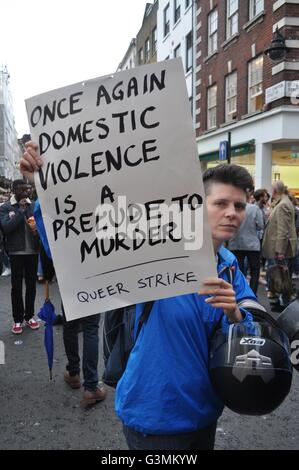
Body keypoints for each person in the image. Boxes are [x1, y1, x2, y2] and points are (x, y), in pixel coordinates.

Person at [21, 145, 260, 449]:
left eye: (239, 206)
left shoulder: (229, 266)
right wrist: (42, 187)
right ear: (198, 204)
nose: (232, 213)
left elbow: (252, 335)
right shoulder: (154, 250)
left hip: (206, 413)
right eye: (222, 203)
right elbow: (74, 253)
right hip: (154, 419)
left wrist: (235, 316)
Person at [20, 151, 107, 407]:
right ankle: (91, 384)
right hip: (95, 266)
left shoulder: (46, 204)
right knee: (90, 326)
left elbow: (47, 243)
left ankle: (74, 373)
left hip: (69, 270)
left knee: (72, 323)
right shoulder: (96, 194)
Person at [0, 180, 40, 334]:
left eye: (27, 190)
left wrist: (37, 230)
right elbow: (7, 227)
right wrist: (20, 212)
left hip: (32, 251)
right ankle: (17, 319)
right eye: (22, 190)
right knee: (16, 287)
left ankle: (29, 316)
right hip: (16, 252)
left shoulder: (34, 205)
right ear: (14, 190)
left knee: (31, 286)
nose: (25, 193)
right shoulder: (6, 208)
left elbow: (41, 225)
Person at [262, 181, 297, 306]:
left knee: (281, 276)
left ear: (275, 191)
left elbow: (283, 230)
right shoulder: (282, 203)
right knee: (280, 275)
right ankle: (282, 300)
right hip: (279, 247)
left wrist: (280, 250)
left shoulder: (283, 205)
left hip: (280, 249)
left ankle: (284, 302)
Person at [228, 198, 264, 295]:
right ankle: (252, 294)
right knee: (255, 271)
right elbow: (260, 225)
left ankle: (239, 293)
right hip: (252, 244)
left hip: (235, 243)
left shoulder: (232, 208)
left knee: (237, 271)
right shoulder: (254, 208)